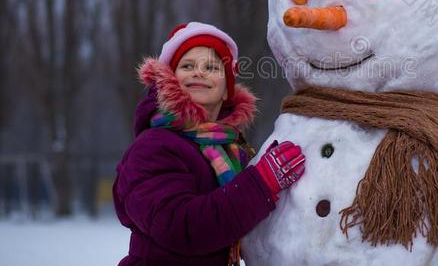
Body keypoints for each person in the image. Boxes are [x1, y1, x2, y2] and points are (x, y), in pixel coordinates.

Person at [113, 22, 306, 265]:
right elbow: (182, 227)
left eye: (211, 67)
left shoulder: (232, 151)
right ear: (169, 79)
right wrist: (262, 183)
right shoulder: (153, 146)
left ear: (227, 89)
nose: (199, 72)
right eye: (187, 66)